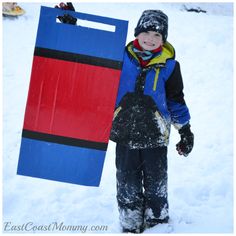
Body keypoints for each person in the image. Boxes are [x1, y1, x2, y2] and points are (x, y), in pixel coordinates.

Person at [56, 4, 194, 233]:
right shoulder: (120, 56)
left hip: (156, 136)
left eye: (157, 34)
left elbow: (175, 100)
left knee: (156, 183)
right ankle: (130, 223)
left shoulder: (170, 66)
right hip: (124, 133)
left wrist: (185, 130)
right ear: (137, 33)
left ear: (164, 38)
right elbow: (91, 52)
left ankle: (157, 222)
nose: (150, 38)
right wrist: (74, 27)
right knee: (127, 182)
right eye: (146, 32)